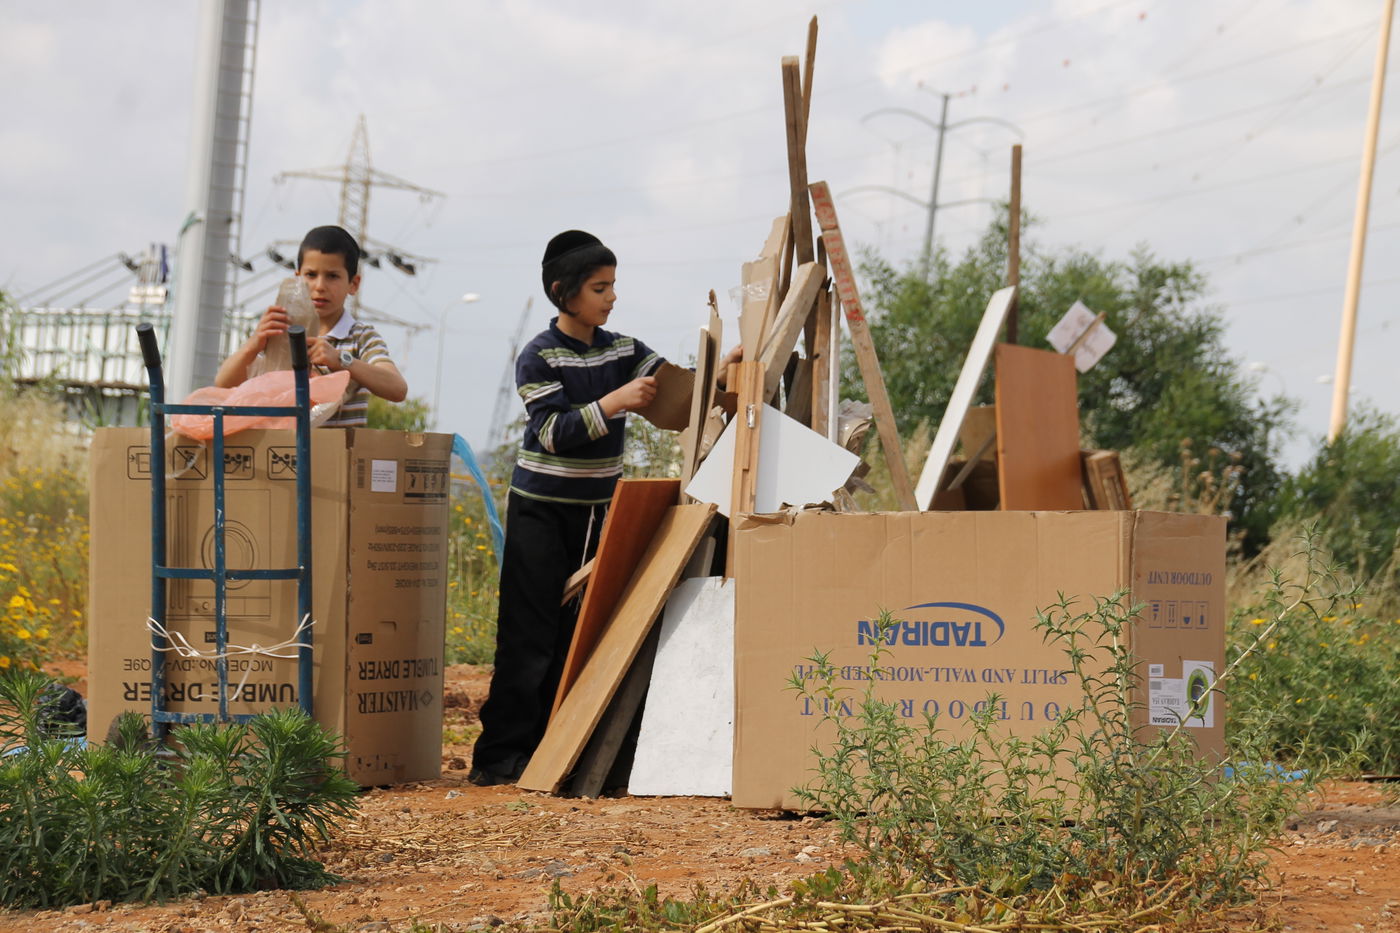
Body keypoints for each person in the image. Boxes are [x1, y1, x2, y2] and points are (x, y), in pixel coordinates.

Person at [468, 230, 666, 787]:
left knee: (577, 632)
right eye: (600, 288)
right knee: (528, 634)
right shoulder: (538, 355)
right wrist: (615, 402)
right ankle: (500, 758)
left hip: (598, 512)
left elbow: (673, 384)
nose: (612, 298)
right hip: (540, 510)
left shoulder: (623, 349)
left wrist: (725, 367)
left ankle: (556, 751)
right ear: (563, 292)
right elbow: (554, 433)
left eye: (613, 286)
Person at [216, 225, 407, 426]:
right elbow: (224, 384)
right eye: (311, 275)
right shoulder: (279, 330)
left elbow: (397, 389)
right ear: (297, 278)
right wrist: (254, 344)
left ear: (354, 284)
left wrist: (341, 360)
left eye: (332, 276)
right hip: (283, 445)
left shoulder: (360, 337)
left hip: (336, 447)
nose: (320, 286)